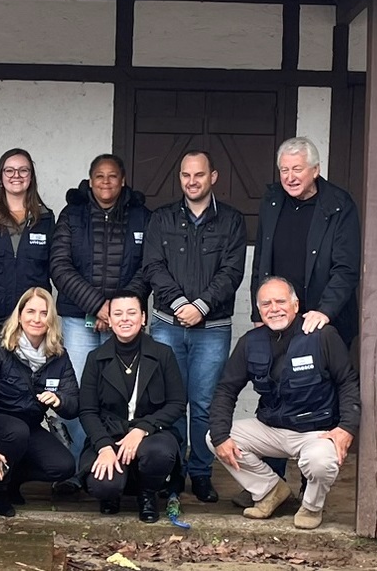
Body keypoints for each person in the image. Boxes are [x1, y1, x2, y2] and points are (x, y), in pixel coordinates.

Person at [208, 277, 361, 530]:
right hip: (271, 428)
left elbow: (347, 382)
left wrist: (347, 428)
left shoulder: (322, 336)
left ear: (296, 305)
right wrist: (221, 435)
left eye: (281, 301)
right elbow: (226, 390)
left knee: (321, 461)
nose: (274, 308)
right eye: (266, 304)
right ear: (258, 310)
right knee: (215, 437)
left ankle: (312, 507)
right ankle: (270, 490)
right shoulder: (250, 341)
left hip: (315, 432)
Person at [143, 149, 247, 504]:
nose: (192, 181)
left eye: (199, 175)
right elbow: (153, 266)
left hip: (212, 327)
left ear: (213, 177)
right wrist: (179, 304)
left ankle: (201, 474)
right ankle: (174, 473)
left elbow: (232, 272)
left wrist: (200, 306)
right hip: (167, 324)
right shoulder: (162, 218)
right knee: (170, 401)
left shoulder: (232, 221)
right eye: (186, 175)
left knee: (203, 404)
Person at [50, 154, 151, 467]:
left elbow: (148, 267)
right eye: (99, 176)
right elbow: (60, 266)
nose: (106, 182)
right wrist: (97, 306)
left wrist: (118, 310)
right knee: (77, 391)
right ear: (90, 180)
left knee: (120, 392)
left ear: (122, 180)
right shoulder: (72, 214)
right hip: (78, 318)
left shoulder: (141, 216)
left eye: (112, 176)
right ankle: (77, 464)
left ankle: (115, 461)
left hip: (124, 322)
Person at [78, 290, 187, 523]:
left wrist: (143, 429)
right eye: (117, 313)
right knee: (103, 485)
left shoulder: (163, 354)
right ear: (109, 319)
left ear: (143, 318)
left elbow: (177, 403)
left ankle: (147, 494)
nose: (125, 318)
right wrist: (104, 446)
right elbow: (87, 410)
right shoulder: (95, 358)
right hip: (111, 436)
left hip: (152, 434)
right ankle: (114, 493)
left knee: (158, 454)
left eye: (131, 312)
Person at [0, 287, 80, 516]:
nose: (37, 319)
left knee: (64, 466)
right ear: (19, 314)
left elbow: (74, 404)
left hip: (28, 426)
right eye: (30, 311)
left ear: (51, 318)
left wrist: (59, 400)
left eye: (44, 313)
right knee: (16, 431)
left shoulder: (59, 355)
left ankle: (10, 479)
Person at [249, 136, 360, 344]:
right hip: (278, 320)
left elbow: (346, 269)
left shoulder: (339, 205)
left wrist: (324, 312)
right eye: (284, 170)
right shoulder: (271, 200)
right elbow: (260, 261)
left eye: (297, 169)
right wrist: (258, 313)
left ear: (315, 170)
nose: (290, 177)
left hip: (324, 322)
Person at [0, 148, 54, 353]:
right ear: (0, 177)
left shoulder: (46, 218)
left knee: (26, 379)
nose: (16, 175)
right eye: (9, 171)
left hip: (31, 317)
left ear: (31, 177)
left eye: (23, 170)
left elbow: (57, 266)